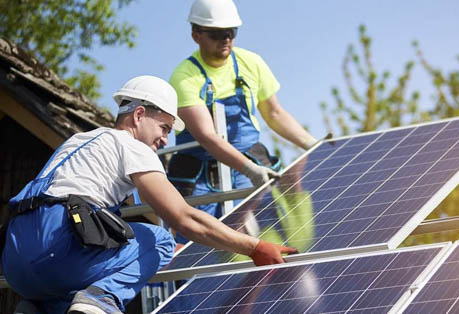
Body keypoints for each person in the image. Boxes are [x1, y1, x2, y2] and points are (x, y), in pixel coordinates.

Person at [1, 75, 296, 314]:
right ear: (139, 115)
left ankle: (36, 308)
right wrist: (254, 247)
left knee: (77, 279)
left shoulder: (80, 141)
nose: (165, 139)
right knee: (160, 238)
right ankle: (99, 302)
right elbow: (183, 218)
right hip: (59, 247)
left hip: (15, 260)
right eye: (164, 127)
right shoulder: (132, 147)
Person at [168, 0, 318, 227]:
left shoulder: (251, 63)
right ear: (196, 34)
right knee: (202, 243)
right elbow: (207, 136)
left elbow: (275, 114)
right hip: (201, 177)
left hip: (251, 163)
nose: (226, 39)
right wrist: (250, 170)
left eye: (231, 32)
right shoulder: (184, 77)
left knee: (270, 232)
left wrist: (313, 144)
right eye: (217, 33)